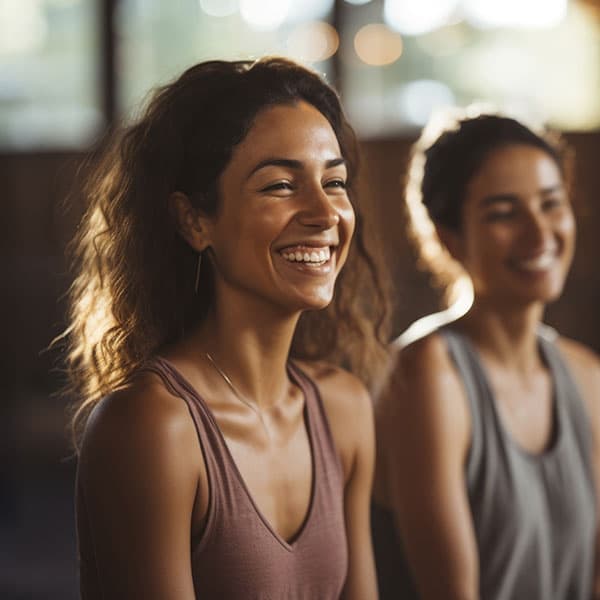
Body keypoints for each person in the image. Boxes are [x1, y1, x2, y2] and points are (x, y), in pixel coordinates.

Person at [64, 57, 388, 599]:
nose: (325, 212)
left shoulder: (343, 408)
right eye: (281, 185)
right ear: (194, 220)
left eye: (334, 181)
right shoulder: (153, 425)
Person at [371, 110, 600, 599]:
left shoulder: (586, 376)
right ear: (449, 236)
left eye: (550, 204)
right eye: (503, 213)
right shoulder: (426, 374)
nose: (540, 235)